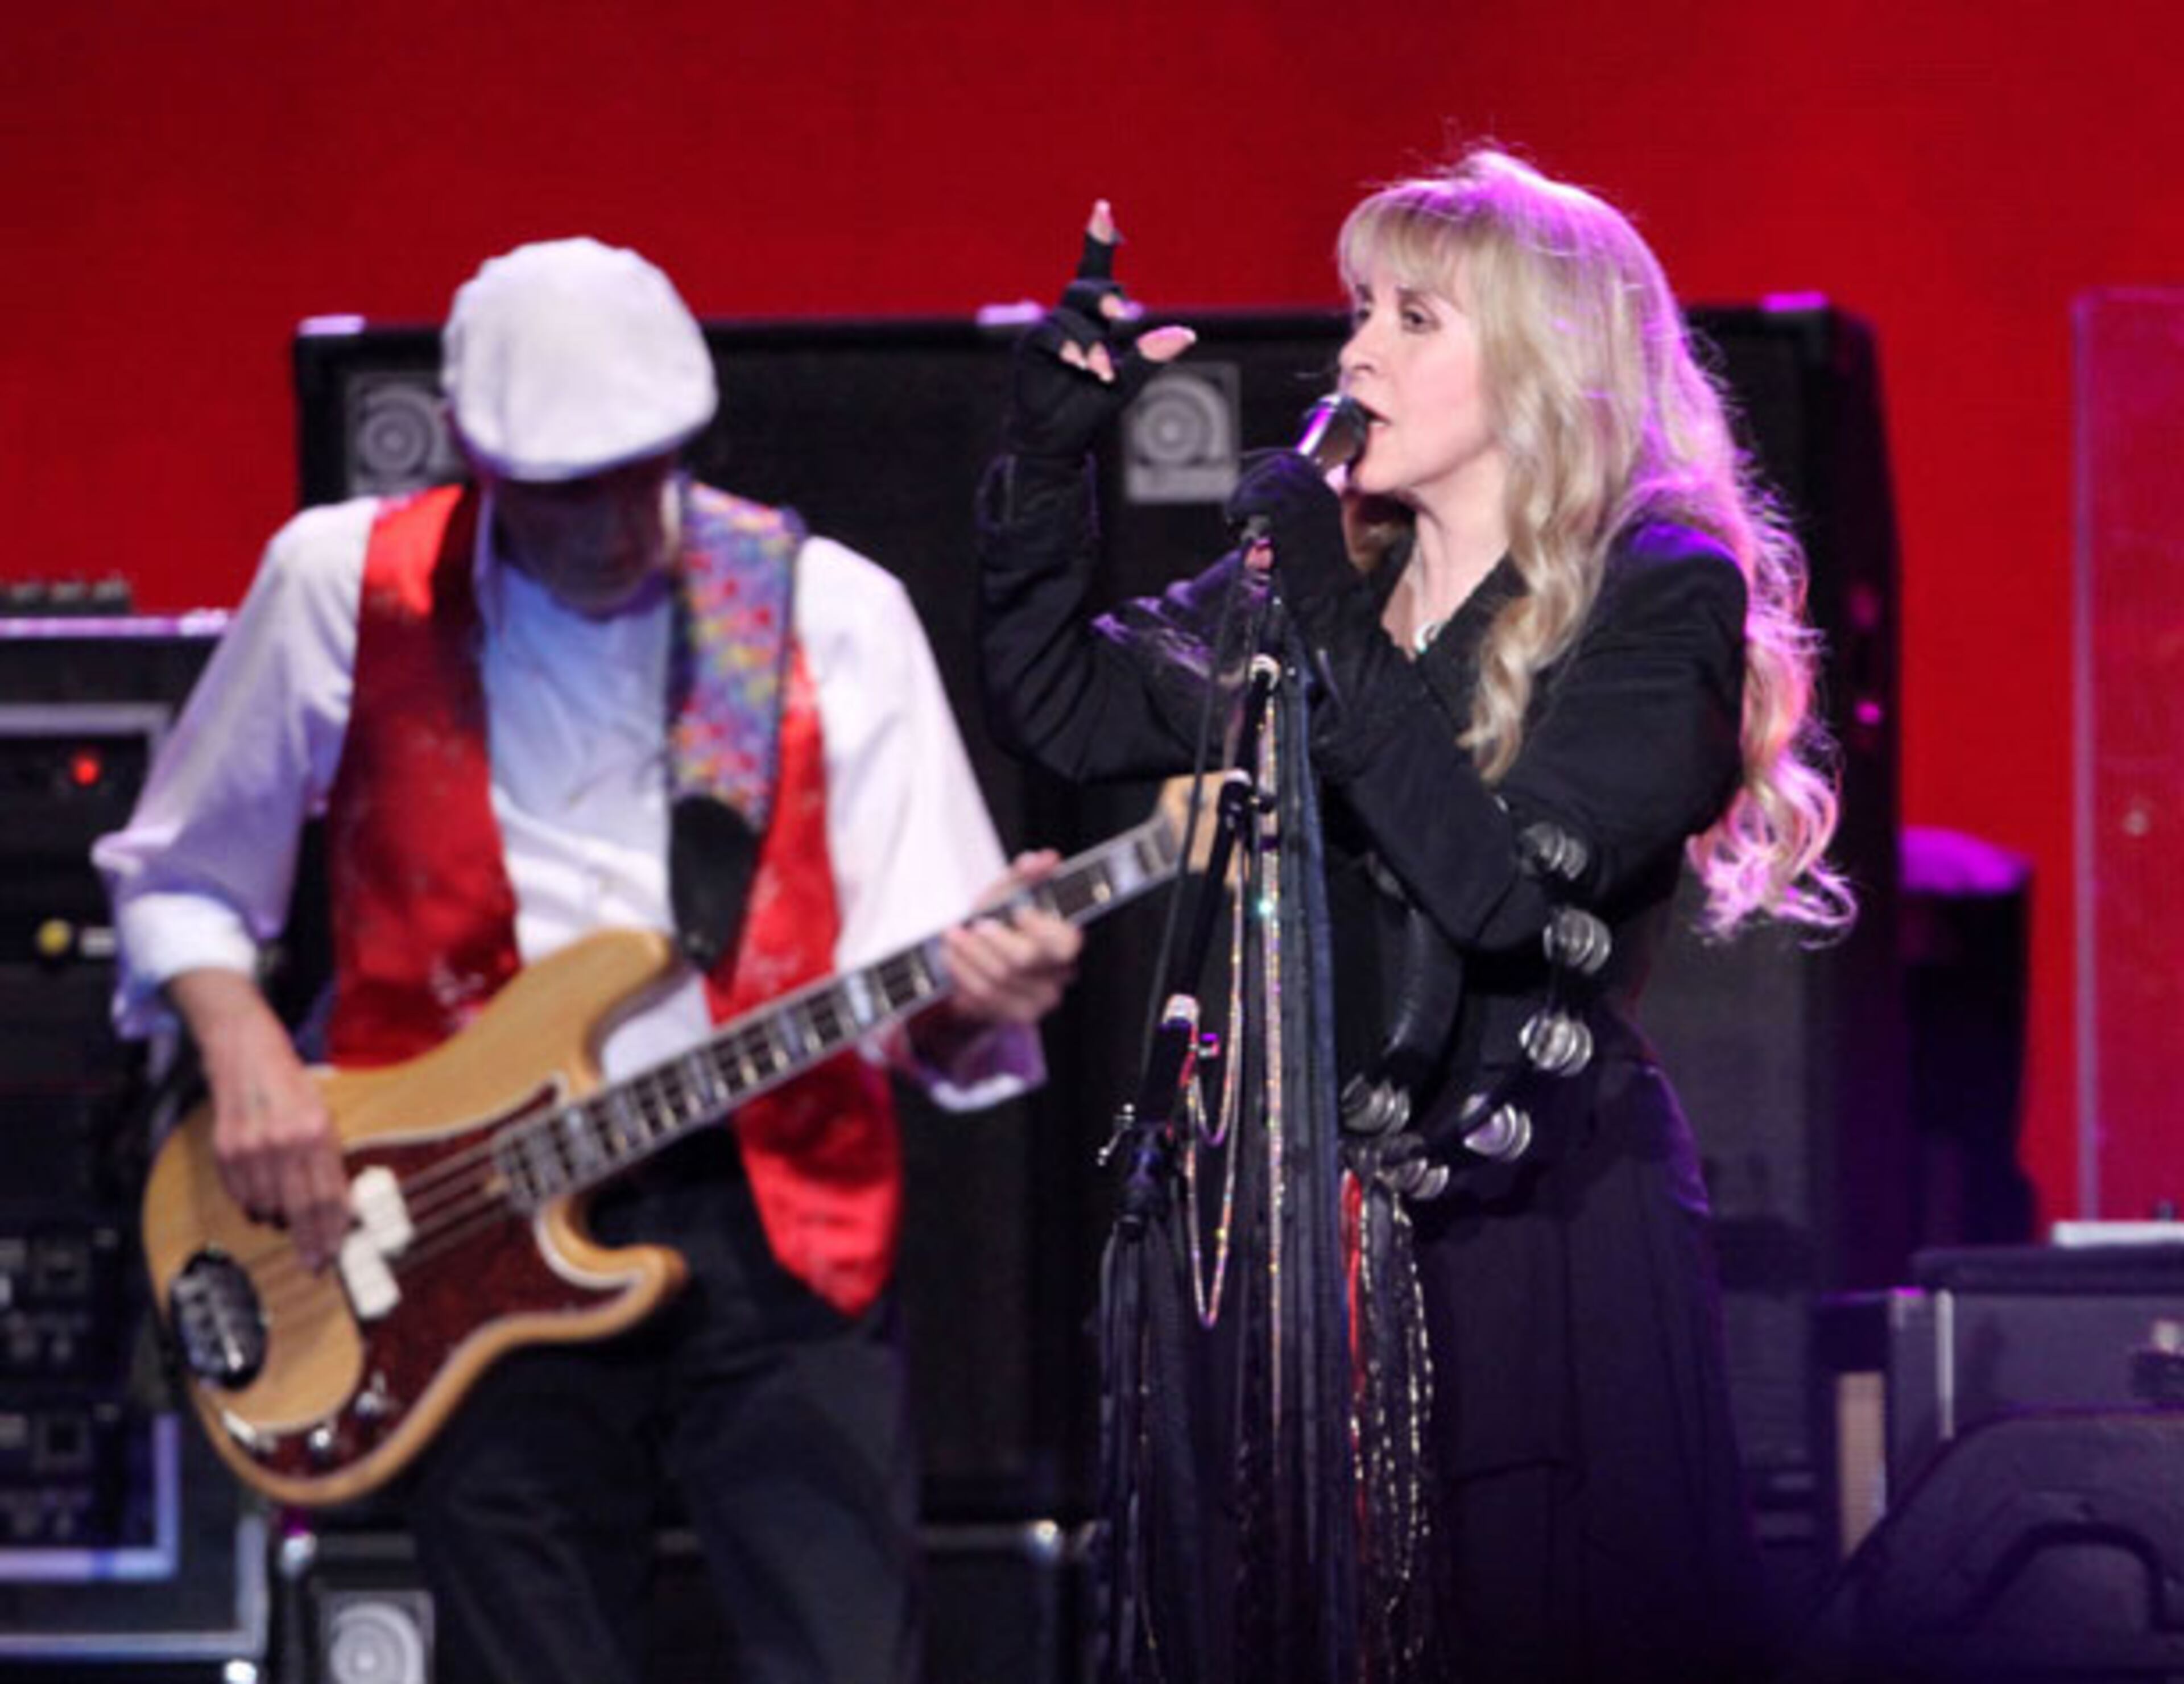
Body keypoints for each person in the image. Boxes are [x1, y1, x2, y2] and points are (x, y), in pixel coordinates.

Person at [97, 236, 1083, 1684]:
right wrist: (244, 1047)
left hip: (773, 1203)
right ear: (471, 459)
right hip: (450, 1216)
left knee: (847, 1655)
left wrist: (977, 999)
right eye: (572, 490)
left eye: (650, 472)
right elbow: (183, 873)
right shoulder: (342, 586)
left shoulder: (825, 610)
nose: (625, 525)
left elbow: (923, 996)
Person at [975, 154, 1852, 1682]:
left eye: (1413, 317)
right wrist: (1050, 465)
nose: (1356, 354)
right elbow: (1059, 701)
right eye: (1357, 308)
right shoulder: (1329, 581)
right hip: (1306, 1238)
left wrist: (1317, 607)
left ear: (1540, 363)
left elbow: (1500, 890)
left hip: (1535, 1239)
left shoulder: (1661, 593)